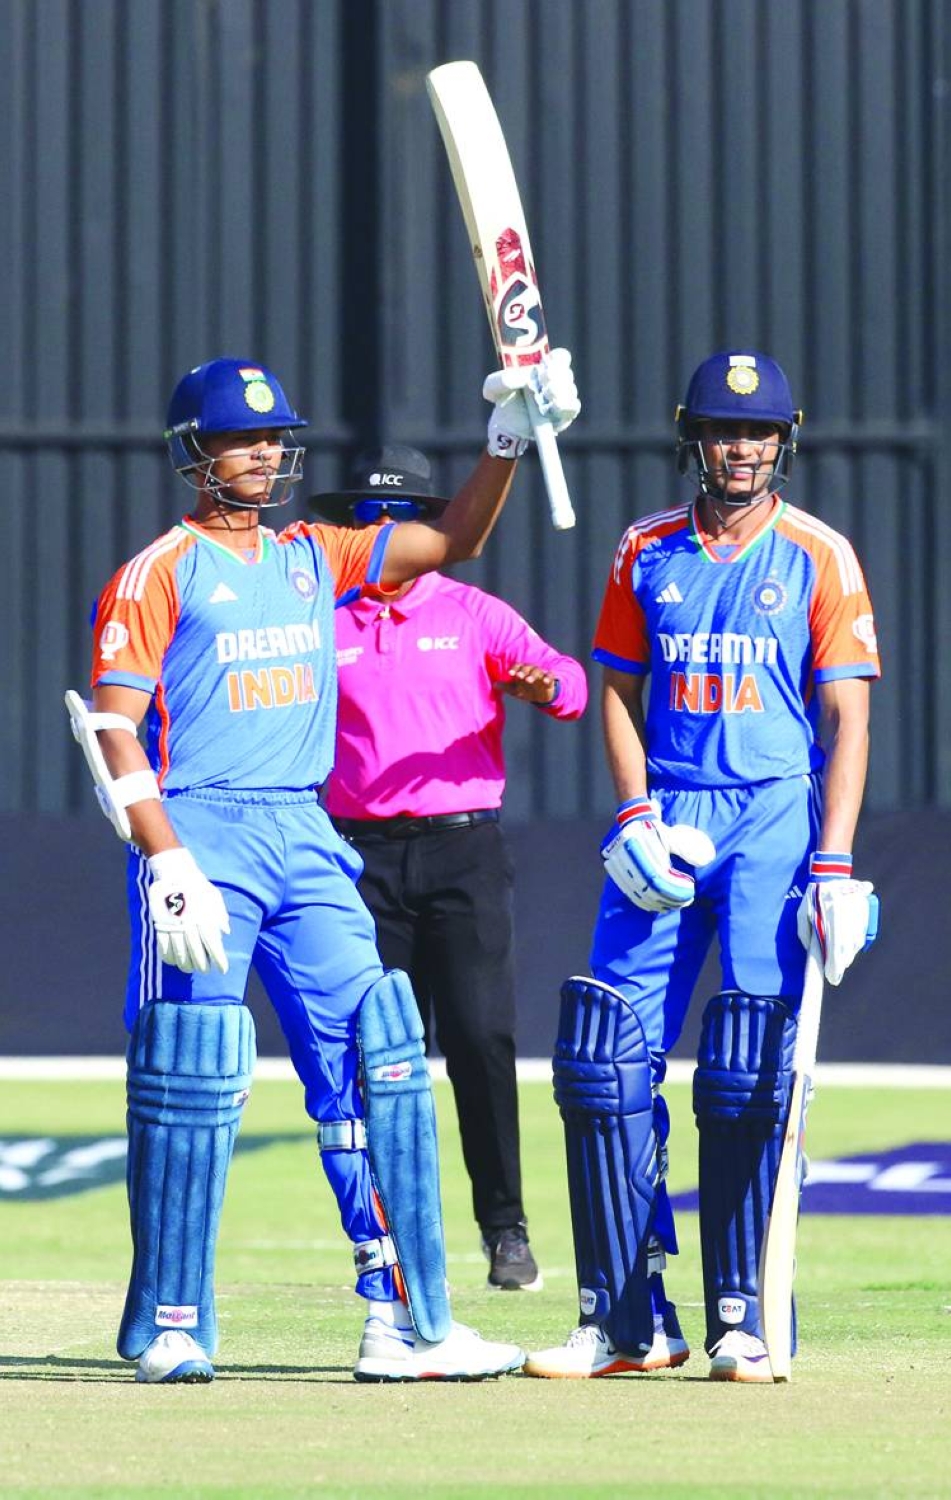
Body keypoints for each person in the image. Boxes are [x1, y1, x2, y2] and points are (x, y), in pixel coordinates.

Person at [65, 349, 579, 1384]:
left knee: (379, 1055)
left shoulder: (315, 554)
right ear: (194, 453)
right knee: (190, 1070)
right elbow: (112, 726)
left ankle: (406, 1321)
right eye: (241, 440)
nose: (263, 454)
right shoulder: (158, 571)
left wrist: (508, 438)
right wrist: (165, 859)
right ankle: (173, 1323)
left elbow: (456, 538)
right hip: (202, 831)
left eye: (274, 439)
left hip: (305, 832)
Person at [524, 349, 880, 1383]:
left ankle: (744, 1313)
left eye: (760, 432)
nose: (742, 449)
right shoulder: (646, 549)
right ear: (694, 438)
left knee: (749, 1068)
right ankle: (625, 1318)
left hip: (774, 819)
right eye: (725, 431)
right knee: (603, 1061)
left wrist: (833, 862)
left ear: (785, 441)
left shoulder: (819, 554)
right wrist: (635, 812)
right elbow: (617, 691)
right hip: (669, 821)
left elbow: (847, 719)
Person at [311, 443, 588, 1292]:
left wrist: (545, 687)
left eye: (402, 515)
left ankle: (505, 1227)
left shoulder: (472, 612)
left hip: (461, 848)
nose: (385, 529)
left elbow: (570, 682)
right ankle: (390, 1235)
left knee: (478, 1036)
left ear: (429, 524)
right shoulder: (323, 618)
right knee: (378, 1049)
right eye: (369, 515)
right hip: (359, 855)